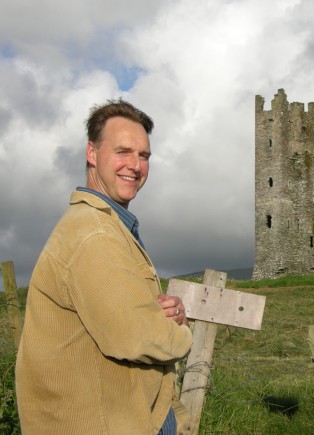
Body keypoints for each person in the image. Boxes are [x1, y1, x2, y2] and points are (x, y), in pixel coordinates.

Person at [16, 99, 193, 434]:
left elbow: (132, 319)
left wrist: (162, 315)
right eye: (123, 151)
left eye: (144, 156)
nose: (136, 166)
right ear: (92, 154)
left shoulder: (109, 226)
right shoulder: (94, 234)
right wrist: (182, 333)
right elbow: (137, 336)